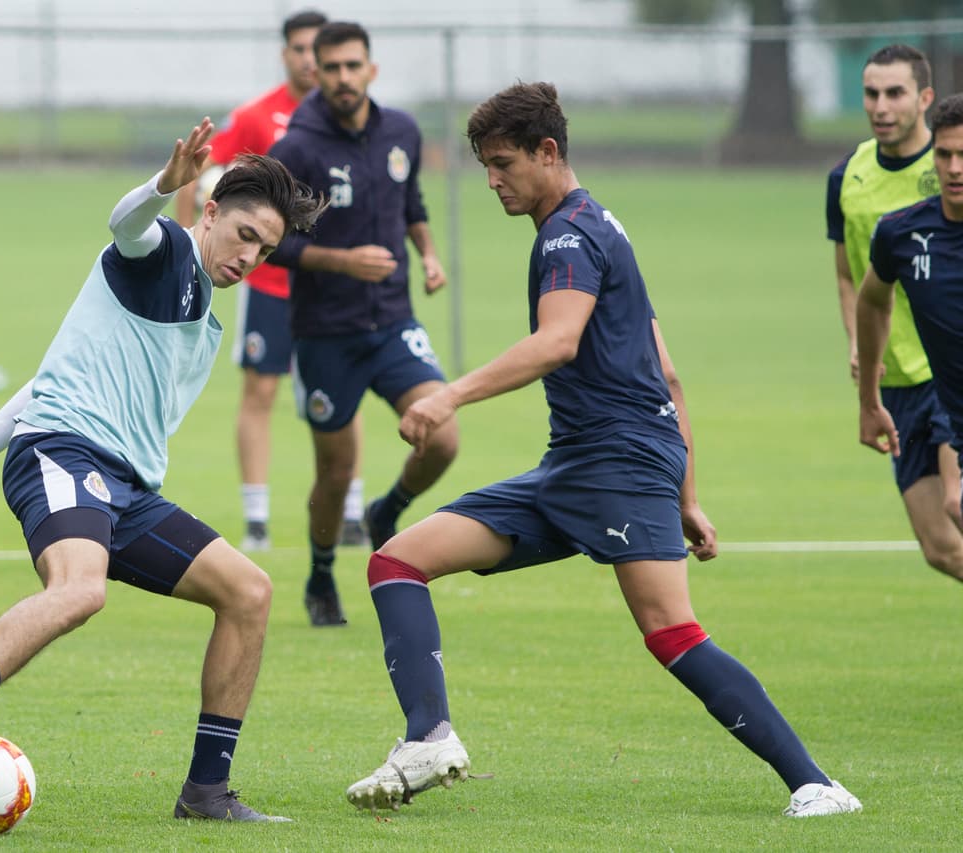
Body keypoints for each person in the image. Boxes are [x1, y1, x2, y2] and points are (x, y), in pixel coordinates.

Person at [343, 82, 862, 819]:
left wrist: (448, 395)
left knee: (672, 632)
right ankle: (427, 736)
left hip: (616, 464)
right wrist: (685, 494)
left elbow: (557, 341)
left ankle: (817, 784)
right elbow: (668, 371)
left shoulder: (567, 236)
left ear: (548, 152)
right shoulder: (600, 223)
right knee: (398, 559)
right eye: (484, 166)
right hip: (580, 467)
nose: (491, 180)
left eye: (501, 164)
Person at [0, 119, 325, 823]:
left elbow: (51, 370)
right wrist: (163, 184)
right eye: (245, 235)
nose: (251, 256)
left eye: (266, 249)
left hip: (124, 485)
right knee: (81, 589)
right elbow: (125, 223)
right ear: (210, 212)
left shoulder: (200, 307)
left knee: (249, 591)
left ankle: (207, 792)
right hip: (64, 452)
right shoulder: (162, 251)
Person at [268, 21, 457, 627]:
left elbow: (412, 204)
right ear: (314, 73)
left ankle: (388, 509)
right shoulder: (297, 148)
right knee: (336, 469)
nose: (344, 78)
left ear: (371, 68)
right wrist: (342, 261)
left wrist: (426, 253)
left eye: (354, 66)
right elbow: (273, 244)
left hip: (394, 321)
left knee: (443, 435)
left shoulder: (400, 130)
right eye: (333, 68)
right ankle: (322, 574)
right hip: (325, 332)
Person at [175, 10, 369, 552]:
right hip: (271, 286)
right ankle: (257, 517)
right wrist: (185, 235)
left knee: (340, 394)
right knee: (260, 391)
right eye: (302, 50)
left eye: (320, 51)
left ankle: (351, 509)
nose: (312, 60)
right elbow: (201, 167)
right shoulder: (259, 116)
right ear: (287, 54)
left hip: (330, 289)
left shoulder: (351, 123)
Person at [827, 44, 963, 580]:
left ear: (924, 99)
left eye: (895, 93)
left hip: (944, 375)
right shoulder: (849, 178)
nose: (881, 106)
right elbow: (851, 277)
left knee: (957, 503)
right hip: (898, 380)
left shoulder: (948, 166)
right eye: (871, 93)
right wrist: (859, 349)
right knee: (939, 547)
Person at [857, 92, 963, 529]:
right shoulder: (901, 234)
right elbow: (871, 302)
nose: (955, 168)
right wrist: (868, 399)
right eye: (944, 154)